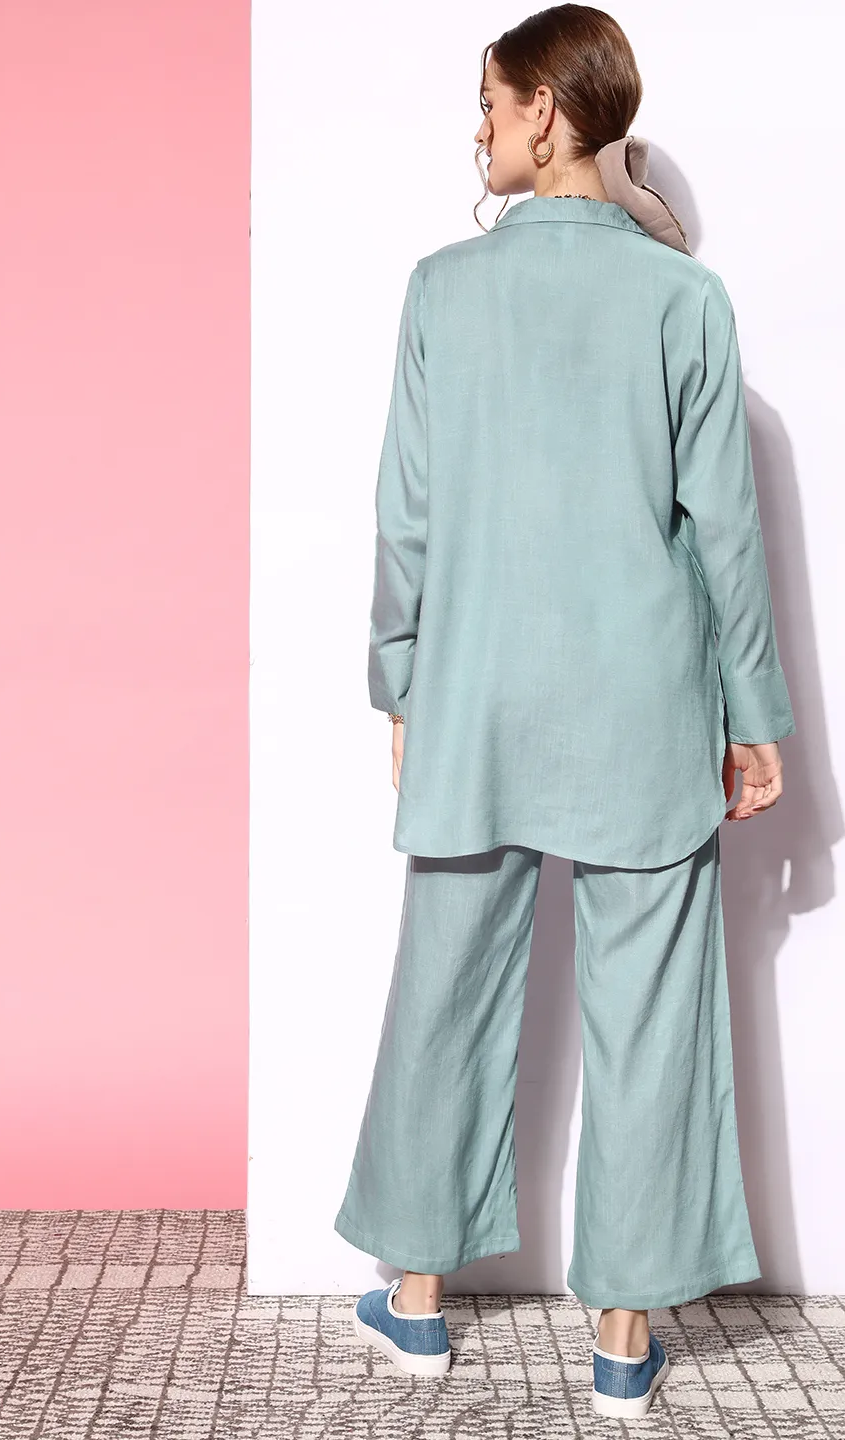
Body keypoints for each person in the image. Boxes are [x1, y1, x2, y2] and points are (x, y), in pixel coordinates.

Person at [332, 3, 795, 1421]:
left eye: (490, 103)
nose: (477, 129)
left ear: (547, 110)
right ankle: (622, 1342)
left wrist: (400, 677)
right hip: (641, 700)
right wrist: (754, 711)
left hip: (477, 687)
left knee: (443, 986)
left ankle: (416, 1306)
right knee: (651, 1011)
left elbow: (407, 517)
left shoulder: (442, 291)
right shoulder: (682, 299)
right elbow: (725, 533)